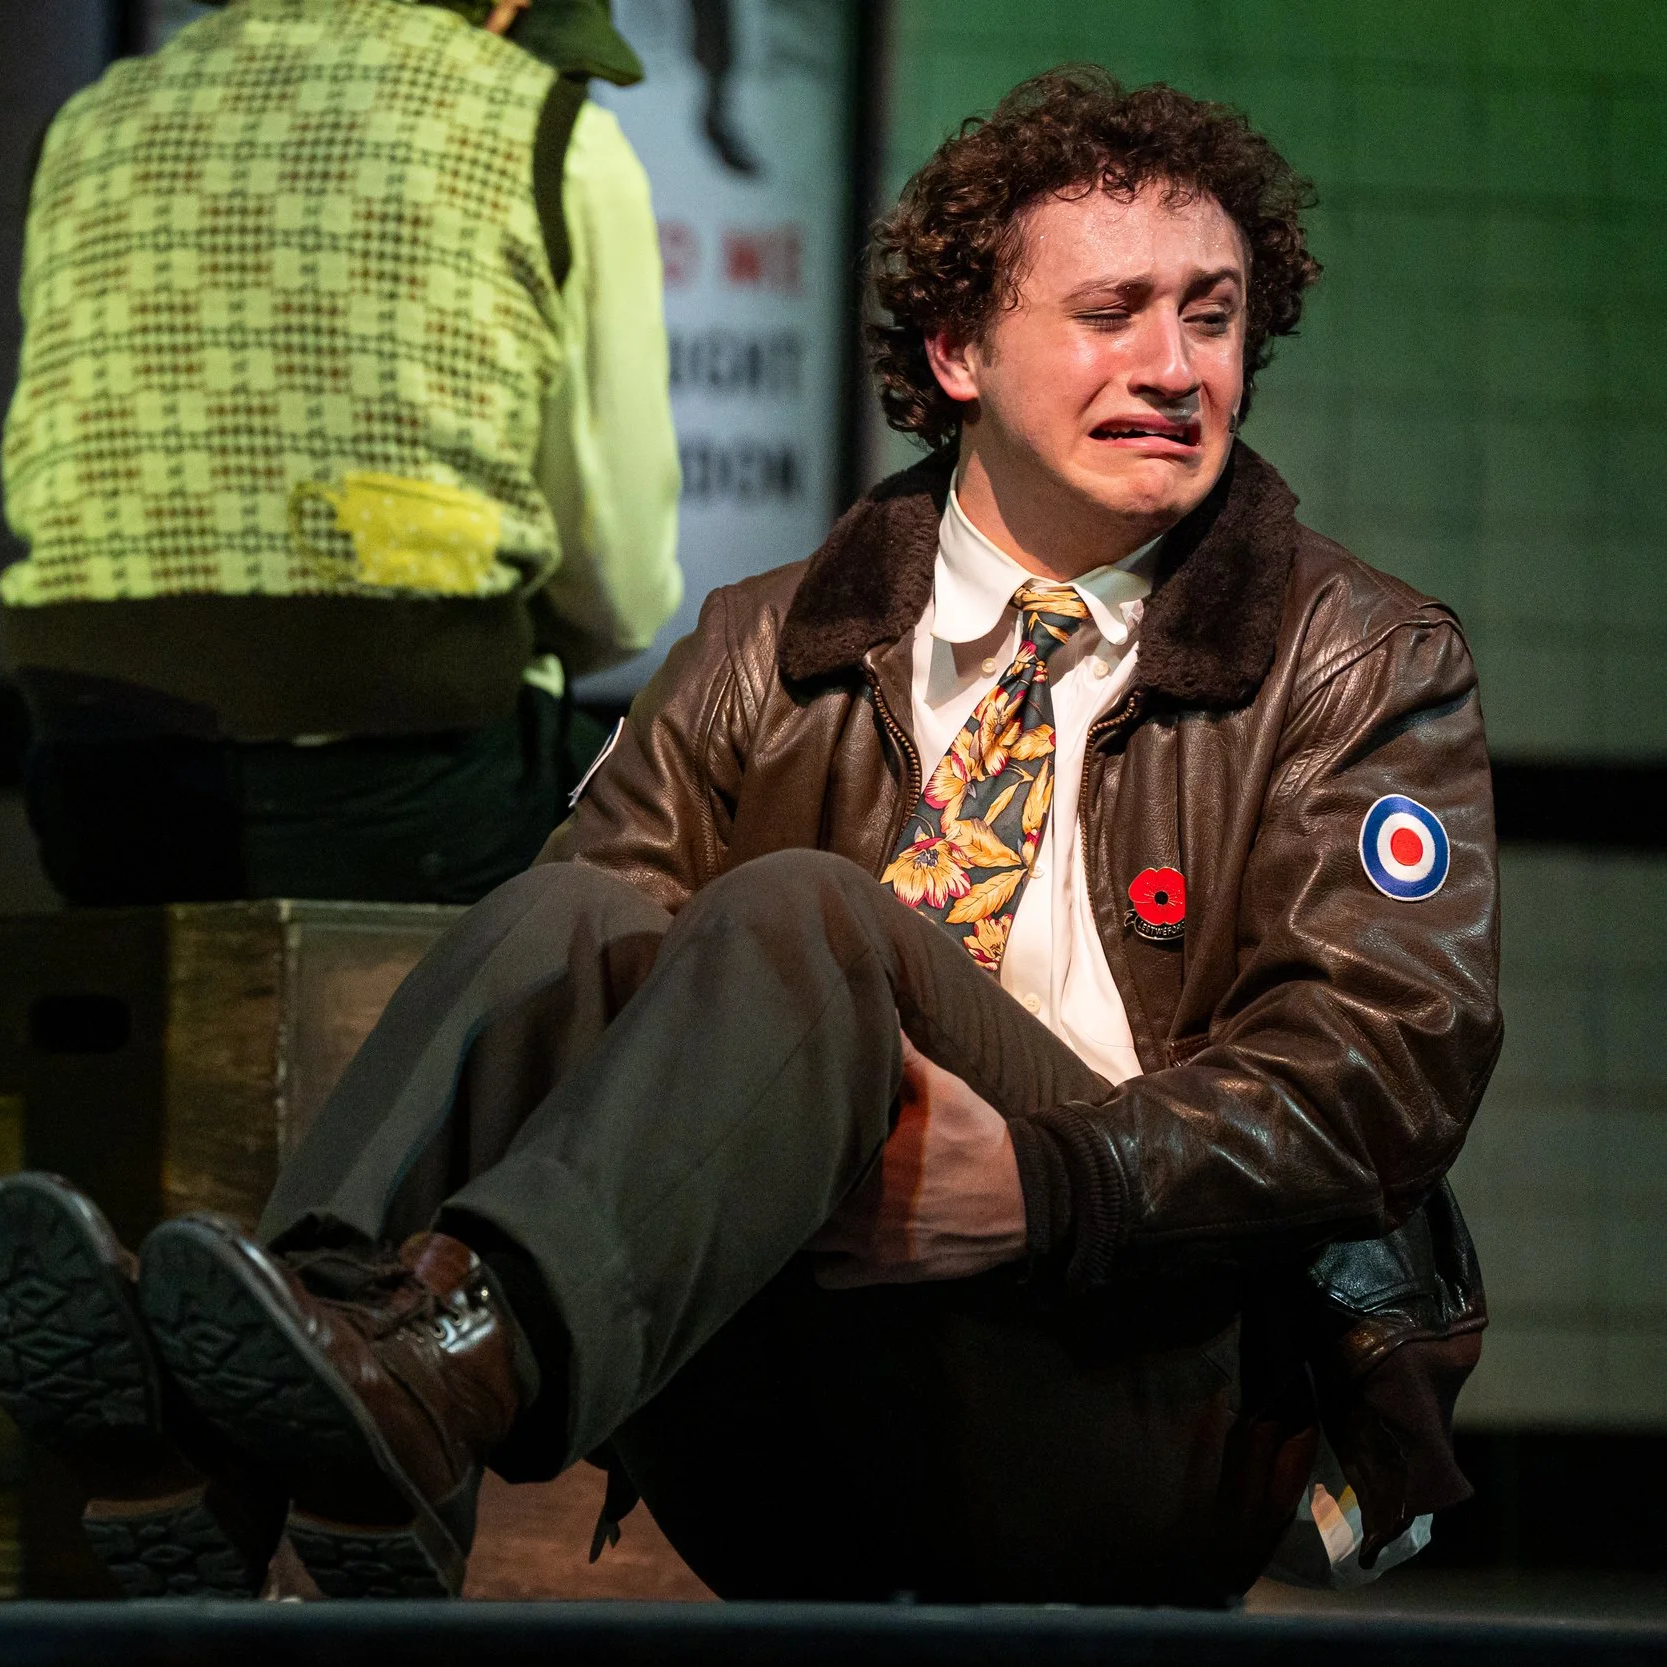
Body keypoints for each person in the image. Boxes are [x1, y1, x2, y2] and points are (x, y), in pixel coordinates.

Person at [0, 67, 1499, 1604]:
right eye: (1109, 312)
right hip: (787, 1380)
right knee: (561, 918)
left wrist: (1047, 1179)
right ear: (956, 350)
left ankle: (416, 1390)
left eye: (1210, 315)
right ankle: (312, 1370)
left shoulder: (1352, 654)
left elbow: (1383, 1059)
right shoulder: (762, 645)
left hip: (1147, 1392)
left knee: (807, 912)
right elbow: (569, 1005)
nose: (1172, 366)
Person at [0, 0, 681, 905]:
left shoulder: (85, 123)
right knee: (679, 835)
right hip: (418, 781)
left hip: (94, 783)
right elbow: (619, 590)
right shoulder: (551, 129)